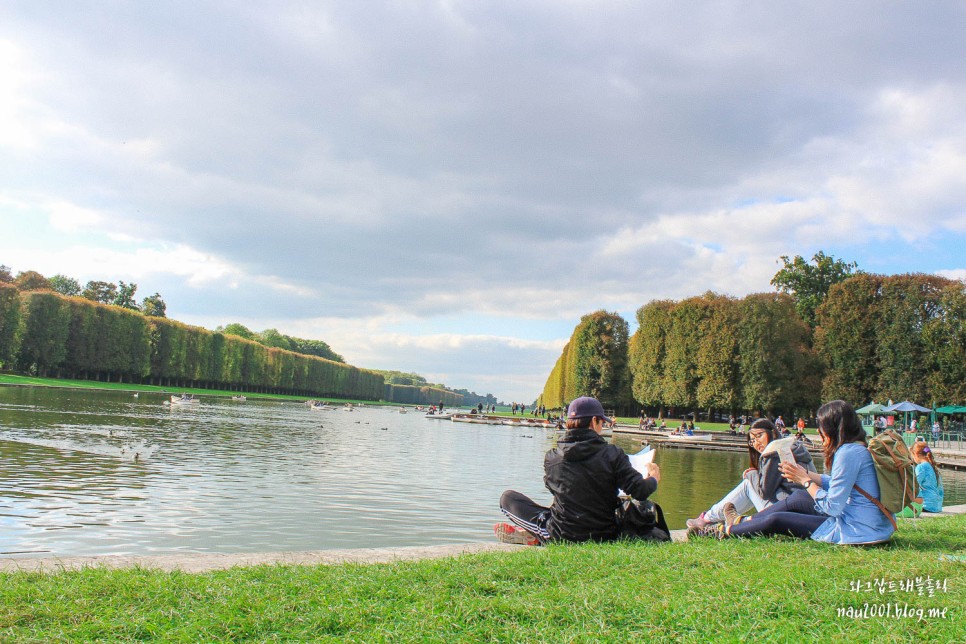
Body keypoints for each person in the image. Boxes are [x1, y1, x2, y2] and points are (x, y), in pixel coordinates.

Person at [692, 400, 895, 545]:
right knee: (798, 497)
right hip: (871, 525)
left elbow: (832, 507)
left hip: (856, 530)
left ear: (834, 428)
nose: (819, 432)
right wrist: (808, 474)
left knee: (777, 520)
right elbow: (838, 482)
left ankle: (721, 531)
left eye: (822, 427)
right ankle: (739, 522)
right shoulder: (858, 448)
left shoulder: (846, 453)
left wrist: (806, 481)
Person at [495, 396, 661, 544]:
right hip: (605, 534)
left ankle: (535, 534)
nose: (602, 427)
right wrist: (653, 477)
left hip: (563, 534)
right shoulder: (613, 454)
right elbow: (641, 491)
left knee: (507, 498)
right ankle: (535, 534)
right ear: (594, 421)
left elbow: (555, 490)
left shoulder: (552, 457)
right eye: (602, 422)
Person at [686, 418, 815, 532]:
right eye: (752, 440)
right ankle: (714, 517)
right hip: (806, 509)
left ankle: (707, 518)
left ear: (773, 433)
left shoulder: (773, 452)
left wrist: (752, 474)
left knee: (748, 485)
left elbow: (764, 492)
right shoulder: (795, 446)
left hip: (786, 512)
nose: (756, 443)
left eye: (759, 436)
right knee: (751, 483)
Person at [910, 441, 944, 513]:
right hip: (937, 506)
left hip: (926, 505)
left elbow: (914, 485)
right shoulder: (934, 467)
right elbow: (940, 490)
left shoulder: (921, 467)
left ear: (916, 454)